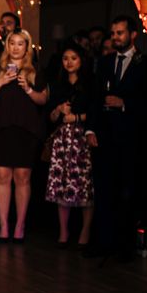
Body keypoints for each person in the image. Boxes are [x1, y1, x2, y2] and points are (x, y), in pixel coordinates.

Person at [85, 15, 147, 261]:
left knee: (127, 192)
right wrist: (90, 129)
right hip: (105, 136)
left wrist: (125, 103)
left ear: (133, 35)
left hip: (131, 138)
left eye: (120, 33)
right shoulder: (105, 63)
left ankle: (124, 246)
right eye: (113, 33)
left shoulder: (146, 64)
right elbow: (95, 97)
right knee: (104, 191)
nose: (115, 37)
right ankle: (103, 242)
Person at [0, 29, 48, 243]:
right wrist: (1, 82)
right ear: (7, 46)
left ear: (27, 47)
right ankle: (3, 225)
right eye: (12, 43)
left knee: (22, 178)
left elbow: (43, 100)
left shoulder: (36, 70)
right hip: (1, 130)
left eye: (20, 44)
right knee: (2, 177)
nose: (16, 47)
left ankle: (20, 225)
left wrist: (27, 88)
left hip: (25, 131)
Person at [45, 44, 94, 248]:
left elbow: (96, 112)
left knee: (83, 185)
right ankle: (63, 232)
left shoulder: (90, 83)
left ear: (81, 60)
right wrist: (58, 109)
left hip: (81, 139)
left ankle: (85, 231)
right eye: (65, 58)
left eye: (73, 58)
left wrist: (75, 117)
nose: (69, 62)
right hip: (61, 140)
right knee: (61, 185)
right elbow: (50, 117)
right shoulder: (58, 84)